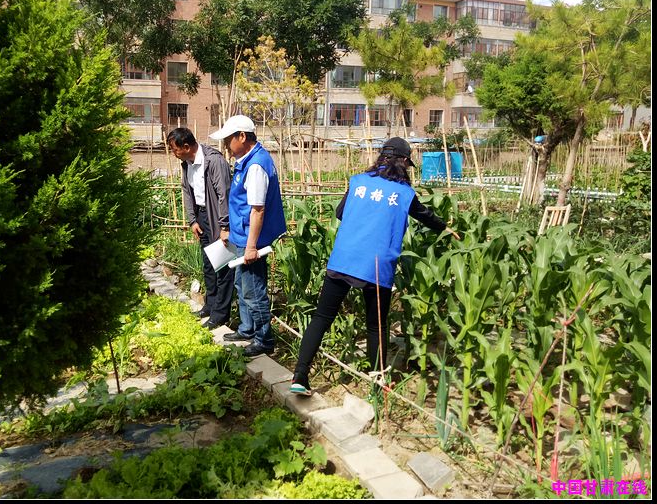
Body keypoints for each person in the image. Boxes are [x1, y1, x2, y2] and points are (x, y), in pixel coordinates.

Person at [289, 137, 460, 396]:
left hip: (344, 258)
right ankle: (377, 386)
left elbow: (339, 213)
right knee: (376, 326)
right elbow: (424, 215)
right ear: (403, 162)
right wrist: (445, 228)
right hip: (376, 265)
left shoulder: (358, 182)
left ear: (381, 157)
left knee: (322, 318)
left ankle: (300, 376)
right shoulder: (404, 193)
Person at [208, 115, 287, 358]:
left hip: (252, 240)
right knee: (242, 286)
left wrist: (252, 246)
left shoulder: (256, 166)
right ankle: (247, 328)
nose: (225, 146)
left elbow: (257, 210)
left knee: (253, 290)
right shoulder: (246, 161)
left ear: (242, 137)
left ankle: (264, 339)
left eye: (228, 140)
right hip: (242, 236)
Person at [167, 127, 234, 329]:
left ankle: (220, 314)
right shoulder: (186, 164)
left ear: (186, 146)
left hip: (217, 218)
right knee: (208, 265)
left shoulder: (214, 161)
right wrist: (192, 220)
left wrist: (225, 225)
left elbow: (224, 194)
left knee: (222, 266)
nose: (173, 153)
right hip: (202, 218)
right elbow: (187, 192)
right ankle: (210, 306)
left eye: (174, 149)